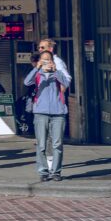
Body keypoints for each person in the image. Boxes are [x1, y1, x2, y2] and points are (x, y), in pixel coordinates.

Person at [26, 50, 72, 182]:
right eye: (44, 60)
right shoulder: (37, 74)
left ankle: (56, 172)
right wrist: (37, 68)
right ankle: (43, 171)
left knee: (57, 144)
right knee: (41, 144)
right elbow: (26, 82)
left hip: (58, 113)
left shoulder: (57, 74)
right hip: (40, 112)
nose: (47, 63)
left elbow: (66, 83)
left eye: (49, 60)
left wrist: (56, 71)